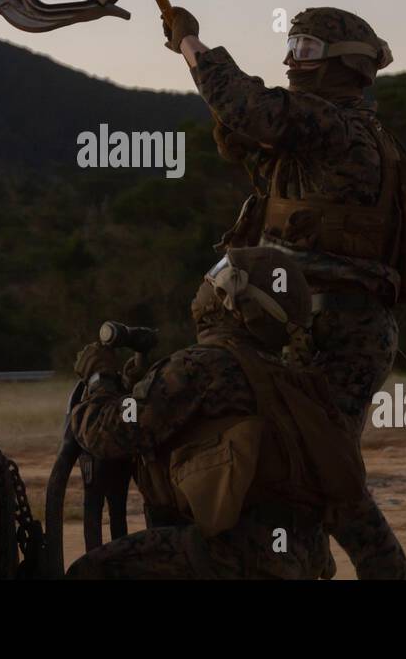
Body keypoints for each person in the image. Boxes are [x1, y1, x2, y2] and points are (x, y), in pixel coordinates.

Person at [158, 5, 406, 579]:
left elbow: (250, 108)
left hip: (333, 327)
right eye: (291, 49)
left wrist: (192, 44)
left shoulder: (337, 125)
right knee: (301, 473)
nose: (292, 63)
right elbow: (251, 136)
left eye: (305, 52)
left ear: (344, 66)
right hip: (329, 324)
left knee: (327, 477)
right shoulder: (343, 134)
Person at [66, 248, 362, 579]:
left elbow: (104, 433)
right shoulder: (292, 379)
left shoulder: (201, 366)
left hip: (234, 557)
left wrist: (99, 378)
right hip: (295, 557)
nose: (207, 283)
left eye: (221, 275)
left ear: (234, 303)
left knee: (89, 571)